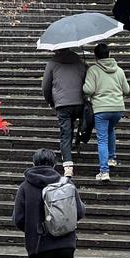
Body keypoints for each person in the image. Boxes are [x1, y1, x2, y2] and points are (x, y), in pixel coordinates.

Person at [82, 42, 129, 181]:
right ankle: (112, 158)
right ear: (109, 54)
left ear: (96, 56)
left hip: (101, 109)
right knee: (111, 130)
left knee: (102, 138)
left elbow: (88, 90)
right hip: (118, 108)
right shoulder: (119, 70)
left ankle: (104, 171)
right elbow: (126, 90)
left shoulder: (93, 70)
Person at [42, 49, 87, 179]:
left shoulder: (52, 63)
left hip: (62, 104)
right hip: (79, 102)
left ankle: (68, 167)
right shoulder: (79, 62)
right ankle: (78, 141)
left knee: (65, 133)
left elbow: (45, 86)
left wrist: (51, 101)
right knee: (79, 125)